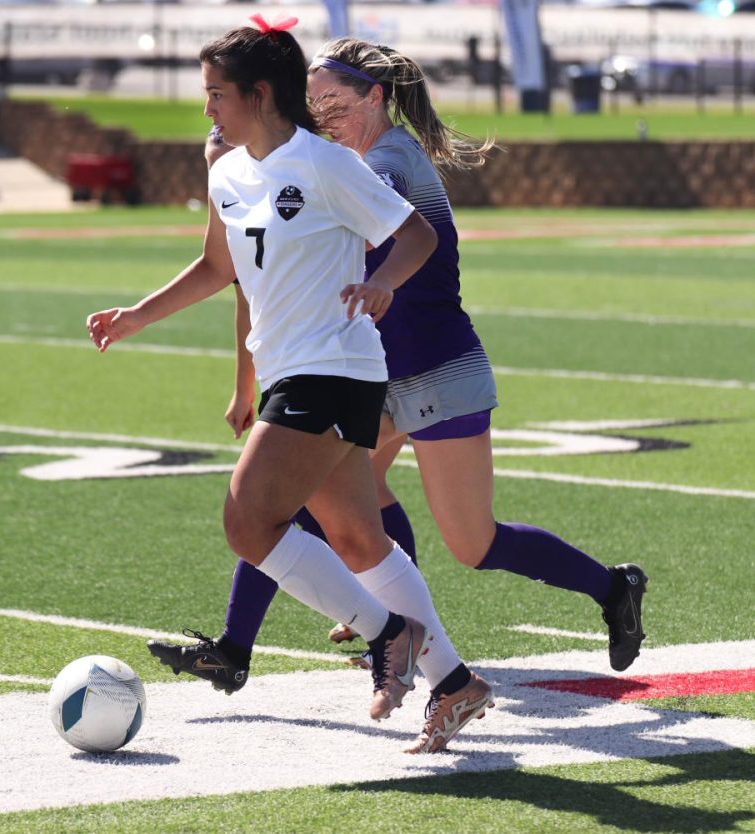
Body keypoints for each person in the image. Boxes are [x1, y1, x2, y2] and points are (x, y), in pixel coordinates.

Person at [148, 35, 649, 752]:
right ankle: (265, 649)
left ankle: (611, 589)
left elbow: (372, 231)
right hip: (369, 369)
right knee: (329, 514)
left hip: (436, 369)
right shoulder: (304, 165)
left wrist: (252, 165)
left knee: (471, 543)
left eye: (333, 102)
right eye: (312, 102)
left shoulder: (375, 163)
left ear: (375, 98)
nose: (320, 114)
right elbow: (255, 271)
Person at [88, 19, 492, 744]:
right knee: (358, 541)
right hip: (286, 368)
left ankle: (383, 636)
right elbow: (217, 268)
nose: (207, 108)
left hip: (337, 368)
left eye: (217, 94)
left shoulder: (327, 164)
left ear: (260, 93)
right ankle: (455, 683)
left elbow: (417, 235)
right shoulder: (226, 172)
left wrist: (385, 287)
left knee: (247, 519)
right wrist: (136, 318)